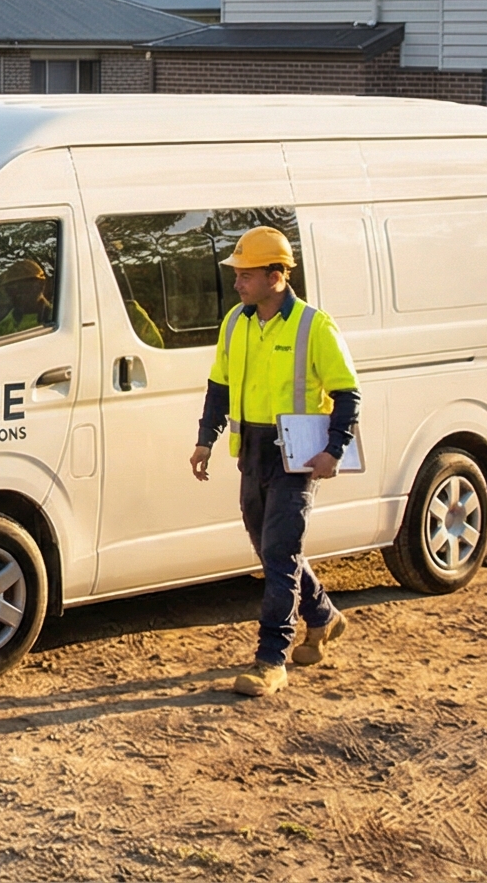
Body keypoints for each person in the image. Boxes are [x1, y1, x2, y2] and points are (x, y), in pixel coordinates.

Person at [189, 225, 360, 697]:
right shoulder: (236, 323)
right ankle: (322, 616)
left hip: (297, 456)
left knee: (280, 554)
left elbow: (348, 393)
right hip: (253, 453)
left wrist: (333, 451)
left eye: (246, 275)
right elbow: (219, 387)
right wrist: (206, 440)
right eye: (238, 275)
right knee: (271, 550)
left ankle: (271, 659)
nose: (238, 283)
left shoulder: (315, 326)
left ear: (276, 276)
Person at [0, 257, 54, 337]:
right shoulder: (3, 325)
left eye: (21, 286)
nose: (15, 293)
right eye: (10, 288)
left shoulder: (56, 319)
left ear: (41, 284)